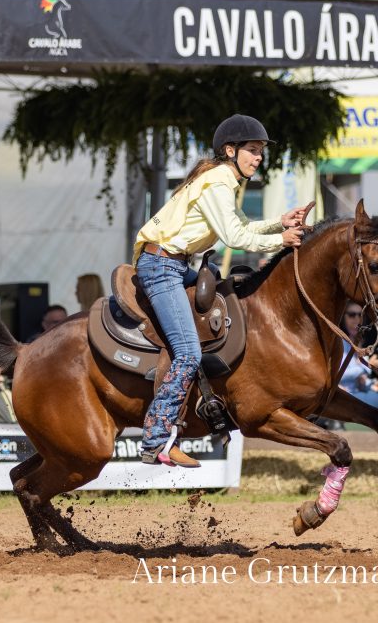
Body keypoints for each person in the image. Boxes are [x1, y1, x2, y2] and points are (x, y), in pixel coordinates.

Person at [132, 114, 310, 468]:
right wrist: (282, 239)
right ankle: (155, 440)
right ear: (231, 150)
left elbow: (241, 225)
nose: (258, 157)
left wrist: (280, 222)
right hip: (163, 267)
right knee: (187, 353)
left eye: (261, 152)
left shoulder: (221, 180)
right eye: (253, 150)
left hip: (175, 264)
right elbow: (235, 238)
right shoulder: (219, 182)